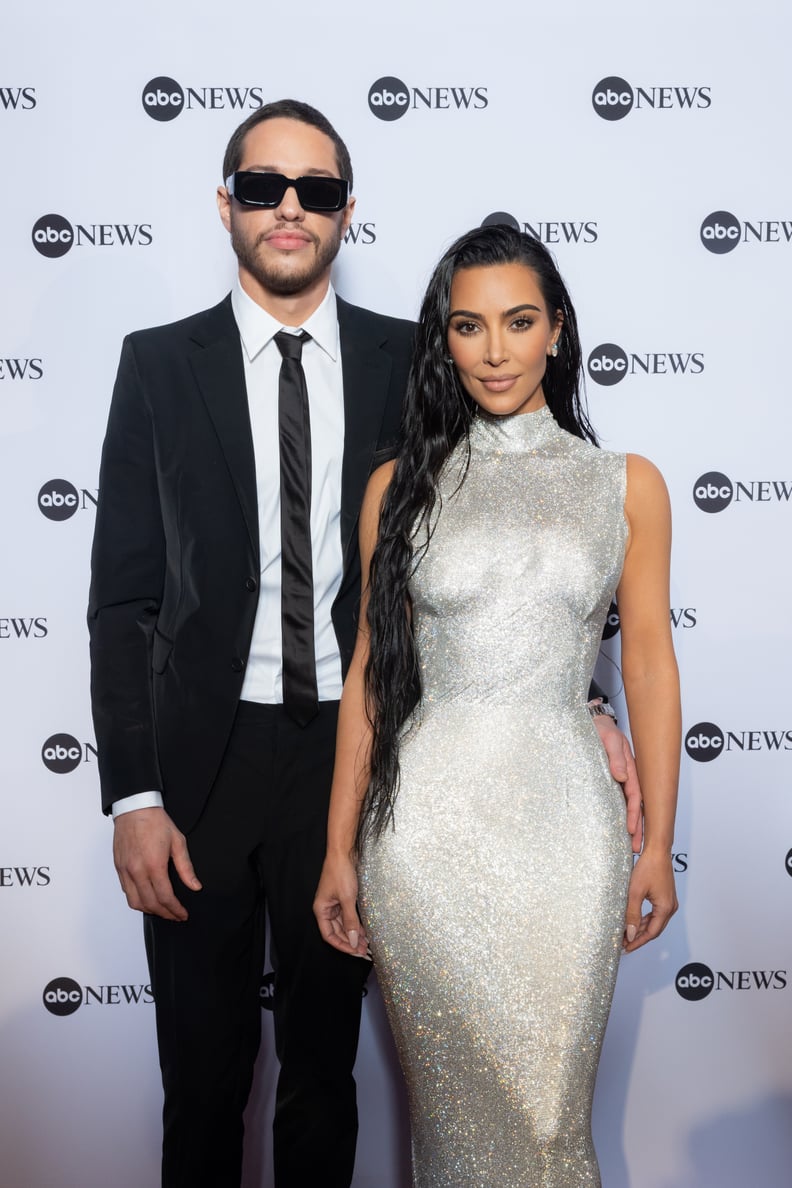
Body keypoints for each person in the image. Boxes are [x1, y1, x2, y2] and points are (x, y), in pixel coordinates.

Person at [88, 102, 641, 1188]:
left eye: (317, 190)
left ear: (348, 212)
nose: (289, 210)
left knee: (323, 1076)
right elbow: (123, 600)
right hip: (200, 765)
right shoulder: (156, 366)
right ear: (227, 205)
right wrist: (132, 796)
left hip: (359, 763)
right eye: (263, 187)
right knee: (200, 1079)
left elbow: (508, 543)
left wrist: (578, 699)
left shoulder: (411, 359)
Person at [314, 226, 681, 1186]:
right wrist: (337, 847)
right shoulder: (398, 490)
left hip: (567, 834)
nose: (494, 350)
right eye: (468, 327)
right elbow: (371, 677)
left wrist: (655, 845)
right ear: (444, 341)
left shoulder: (626, 486)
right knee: (455, 1131)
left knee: (550, 1120)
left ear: (556, 331)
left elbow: (645, 665)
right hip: (424, 840)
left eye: (518, 323)